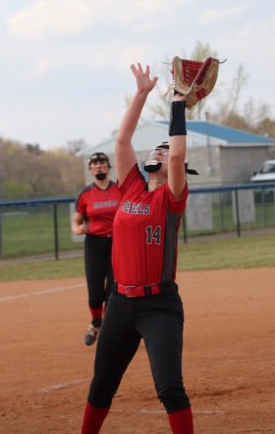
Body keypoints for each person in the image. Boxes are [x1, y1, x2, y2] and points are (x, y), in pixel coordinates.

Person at [82, 64, 195, 434]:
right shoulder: (130, 185)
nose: (161, 153)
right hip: (120, 304)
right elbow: (121, 141)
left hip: (158, 305)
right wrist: (143, 93)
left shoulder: (171, 198)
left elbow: (177, 157)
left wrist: (178, 103)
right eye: (158, 151)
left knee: (169, 388)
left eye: (165, 152)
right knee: (102, 386)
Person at [73, 151, 122, 347]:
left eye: (102, 164)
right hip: (94, 244)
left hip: (118, 243)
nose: (99, 167)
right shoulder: (85, 194)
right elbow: (77, 220)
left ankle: (109, 328)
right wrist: (77, 228)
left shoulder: (120, 188)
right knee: (95, 294)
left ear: (109, 168)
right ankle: (95, 325)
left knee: (112, 290)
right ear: (90, 170)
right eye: (95, 165)